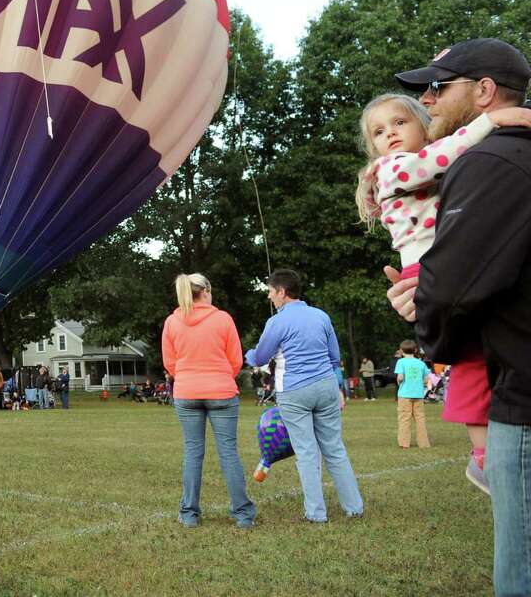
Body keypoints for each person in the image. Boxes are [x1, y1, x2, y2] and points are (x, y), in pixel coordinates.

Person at [382, 39, 531, 594]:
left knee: (520, 572)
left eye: (439, 87)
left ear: (484, 91)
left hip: (520, 395)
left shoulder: (488, 160)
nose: (427, 99)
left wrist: (426, 314)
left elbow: (457, 289)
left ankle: (481, 457)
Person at [357, 87, 531, 489]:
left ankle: (489, 450)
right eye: (379, 132)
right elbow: (432, 161)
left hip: (446, 259)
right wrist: (489, 121)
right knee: (470, 359)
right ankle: (483, 456)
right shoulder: (394, 168)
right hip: (429, 263)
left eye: (400, 123)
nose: (391, 135)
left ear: (424, 124)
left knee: (485, 353)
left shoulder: (443, 164)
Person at [245, 269, 363, 523]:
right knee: (334, 448)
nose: (269, 297)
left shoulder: (277, 322)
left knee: (307, 452)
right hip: (326, 387)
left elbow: (261, 357)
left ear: (282, 292)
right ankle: (354, 507)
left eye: (270, 292)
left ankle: (316, 513)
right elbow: (334, 356)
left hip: (294, 391)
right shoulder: (321, 316)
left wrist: (248, 355)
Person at [162, 273, 255, 529]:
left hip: (187, 392)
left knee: (193, 453)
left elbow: (169, 362)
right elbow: (235, 359)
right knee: (228, 453)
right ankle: (243, 514)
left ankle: (189, 514)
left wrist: (187, 377)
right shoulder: (223, 319)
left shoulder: (172, 322)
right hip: (221, 392)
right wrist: (221, 376)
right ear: (206, 291)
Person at [394, 339, 431, 448]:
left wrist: (399, 382)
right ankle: (423, 443)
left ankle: (404, 443)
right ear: (415, 350)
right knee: (420, 418)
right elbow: (426, 379)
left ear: (401, 351)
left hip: (405, 394)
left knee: (404, 418)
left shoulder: (400, 362)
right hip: (418, 395)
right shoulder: (421, 363)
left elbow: (400, 377)